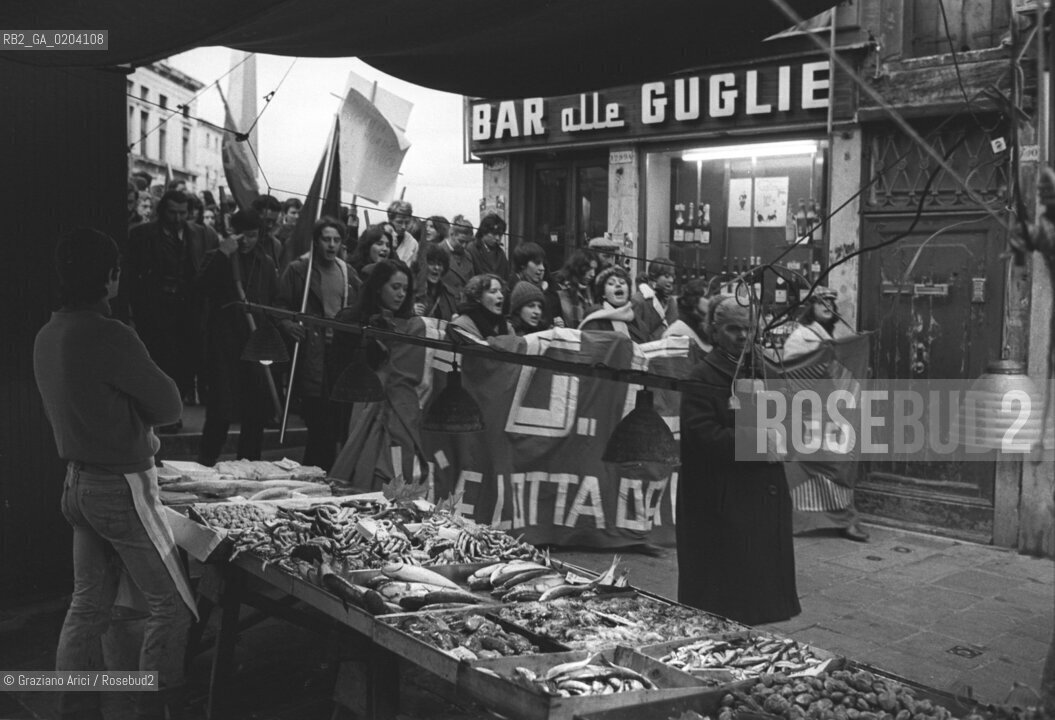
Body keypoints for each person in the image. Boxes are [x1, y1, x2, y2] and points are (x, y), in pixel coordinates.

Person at [33, 228, 193, 720]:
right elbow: (170, 406)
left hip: (77, 484)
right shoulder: (108, 334)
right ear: (110, 276)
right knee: (173, 607)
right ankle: (150, 710)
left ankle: (72, 709)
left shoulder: (49, 332)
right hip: (120, 488)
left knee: (87, 606)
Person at [677, 296, 800, 626]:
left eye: (749, 329)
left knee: (759, 592)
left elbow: (787, 416)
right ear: (714, 331)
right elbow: (702, 435)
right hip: (722, 498)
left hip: (762, 494)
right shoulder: (702, 375)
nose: (743, 336)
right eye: (733, 329)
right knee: (724, 600)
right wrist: (761, 442)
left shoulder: (763, 367)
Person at [330, 259, 429, 491]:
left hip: (391, 412)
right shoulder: (350, 322)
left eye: (405, 289)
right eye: (395, 287)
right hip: (354, 407)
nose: (401, 295)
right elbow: (338, 371)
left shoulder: (410, 328)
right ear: (378, 287)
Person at [122, 189, 220, 424]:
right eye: (172, 212)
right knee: (158, 362)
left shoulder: (200, 234)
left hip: (188, 310)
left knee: (187, 362)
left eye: (182, 213)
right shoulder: (141, 235)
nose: (177, 218)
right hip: (155, 308)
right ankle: (160, 414)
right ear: (163, 210)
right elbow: (130, 276)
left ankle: (173, 410)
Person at [780, 286, 869, 542]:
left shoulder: (835, 336)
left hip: (834, 410)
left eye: (831, 302)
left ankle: (844, 517)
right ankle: (804, 518)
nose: (827, 306)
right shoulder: (799, 338)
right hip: (809, 411)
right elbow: (793, 375)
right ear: (811, 307)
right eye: (821, 302)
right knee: (808, 465)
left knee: (838, 464)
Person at [196, 210, 281, 466]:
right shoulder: (217, 257)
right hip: (224, 343)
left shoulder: (264, 262)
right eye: (242, 236)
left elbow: (272, 300)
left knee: (255, 411)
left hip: (255, 342)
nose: (247, 241)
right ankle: (206, 463)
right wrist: (223, 254)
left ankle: (249, 466)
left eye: (253, 236)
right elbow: (200, 289)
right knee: (221, 409)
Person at [276, 217, 360, 471]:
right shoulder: (299, 269)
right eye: (326, 239)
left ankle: (322, 472)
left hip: (340, 354)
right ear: (316, 241)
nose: (331, 245)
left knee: (335, 421)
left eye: (336, 240)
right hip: (312, 351)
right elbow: (280, 304)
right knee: (318, 419)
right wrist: (287, 324)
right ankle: (313, 471)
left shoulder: (347, 272)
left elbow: (359, 305)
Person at [509, 241, 564, 327]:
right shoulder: (509, 291)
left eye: (543, 264)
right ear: (522, 265)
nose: (542, 268)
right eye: (537, 263)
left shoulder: (551, 290)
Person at [448, 273, 512, 342]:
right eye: (493, 291)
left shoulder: (508, 328)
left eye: (501, 292)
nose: (501, 296)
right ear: (477, 297)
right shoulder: (461, 327)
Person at [579, 265, 636, 338]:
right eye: (611, 283)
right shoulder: (595, 320)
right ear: (603, 294)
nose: (618, 285)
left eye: (622, 283)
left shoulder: (636, 320)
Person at [632, 258, 678, 342]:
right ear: (654, 277)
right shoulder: (638, 301)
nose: (671, 280)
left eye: (673, 276)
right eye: (666, 276)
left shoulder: (671, 302)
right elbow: (637, 338)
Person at [663, 277, 713, 352]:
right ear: (693, 299)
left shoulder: (708, 328)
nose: (712, 300)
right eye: (707, 297)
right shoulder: (677, 332)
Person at [553, 249, 599, 327]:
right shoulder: (558, 291)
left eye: (594, 269)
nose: (593, 274)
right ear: (578, 267)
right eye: (589, 269)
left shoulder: (592, 291)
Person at [413, 243, 459, 321]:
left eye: (440, 264)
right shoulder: (410, 287)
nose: (436, 268)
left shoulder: (449, 293)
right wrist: (411, 310)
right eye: (431, 263)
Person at [466, 213, 510, 280]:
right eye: (494, 234)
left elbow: (506, 276)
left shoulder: (501, 253)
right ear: (484, 232)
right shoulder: (472, 249)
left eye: (500, 235)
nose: (498, 238)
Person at [443, 214, 476, 299]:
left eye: (467, 242)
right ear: (452, 234)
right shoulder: (437, 251)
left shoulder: (468, 256)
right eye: (461, 241)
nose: (464, 246)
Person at [251, 194, 284, 268]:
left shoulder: (275, 245)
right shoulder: (240, 242)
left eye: (274, 221)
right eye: (267, 221)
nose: (270, 226)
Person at [387, 199, 419, 267]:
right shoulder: (379, 236)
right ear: (390, 220)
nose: (404, 227)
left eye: (407, 222)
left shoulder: (412, 243)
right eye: (399, 222)